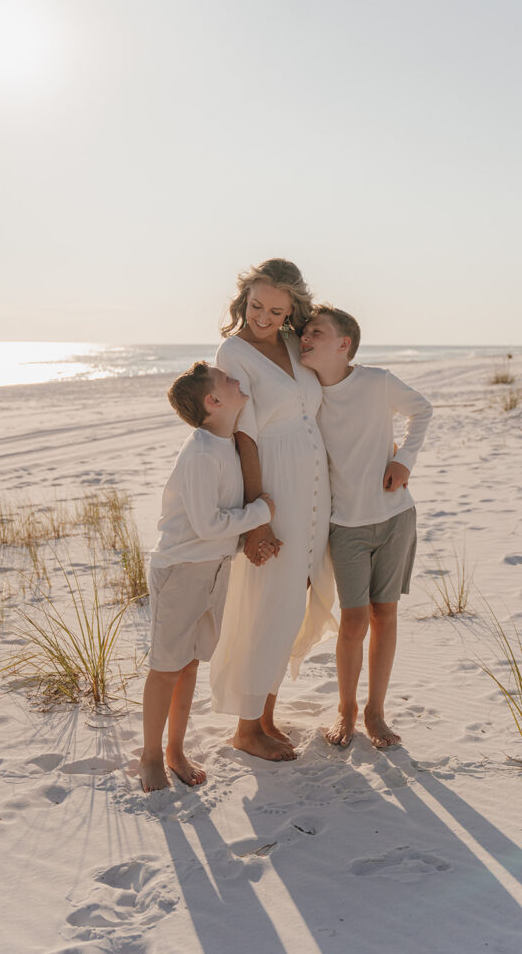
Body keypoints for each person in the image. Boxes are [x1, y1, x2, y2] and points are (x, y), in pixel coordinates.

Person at [210, 259, 336, 761]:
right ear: (244, 299)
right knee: (269, 601)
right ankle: (245, 727)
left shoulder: (291, 343)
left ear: (291, 312)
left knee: (293, 600)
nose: (262, 316)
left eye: (275, 310)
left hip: (315, 485)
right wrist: (257, 517)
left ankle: (264, 716)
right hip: (274, 485)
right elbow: (243, 435)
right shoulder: (232, 351)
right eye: (256, 305)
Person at [300, 305, 433, 748]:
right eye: (303, 332)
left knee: (385, 613)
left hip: (395, 517)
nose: (305, 337)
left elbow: (422, 411)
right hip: (346, 526)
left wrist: (403, 460)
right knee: (353, 621)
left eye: (315, 332)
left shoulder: (376, 381)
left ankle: (375, 710)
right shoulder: (309, 394)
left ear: (343, 345)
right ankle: (347, 708)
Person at [139, 361, 275, 792]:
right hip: (180, 572)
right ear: (213, 402)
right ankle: (149, 756)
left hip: (214, 569)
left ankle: (175, 750)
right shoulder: (200, 452)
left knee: (190, 665)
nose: (239, 380)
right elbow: (207, 525)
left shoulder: (225, 444)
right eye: (228, 380)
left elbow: (220, 530)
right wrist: (262, 512)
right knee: (165, 668)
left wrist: (250, 542)